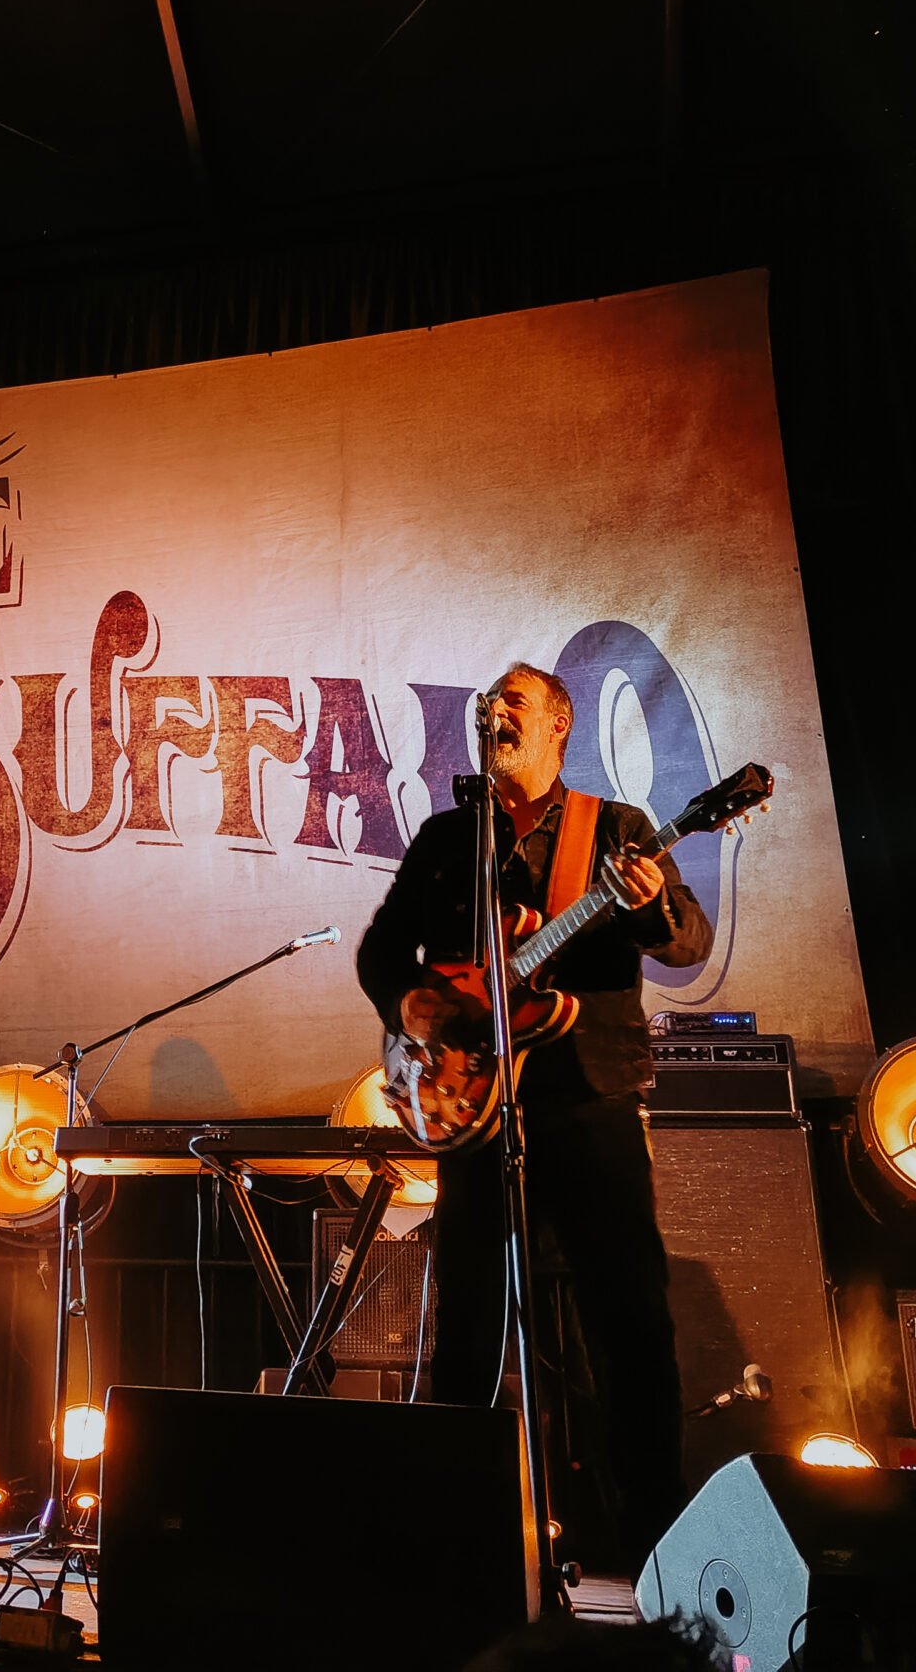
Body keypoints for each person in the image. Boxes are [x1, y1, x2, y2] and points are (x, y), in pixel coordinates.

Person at [356, 663, 712, 1570]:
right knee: (467, 1322)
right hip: (473, 1103)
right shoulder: (448, 838)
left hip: (587, 1094)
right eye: (492, 703)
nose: (497, 711)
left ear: (559, 726)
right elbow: (382, 952)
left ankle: (652, 1542)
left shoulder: (618, 831)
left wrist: (650, 903)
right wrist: (418, 1010)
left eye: (518, 701)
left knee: (627, 1316)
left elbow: (686, 941)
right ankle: (454, 1534)